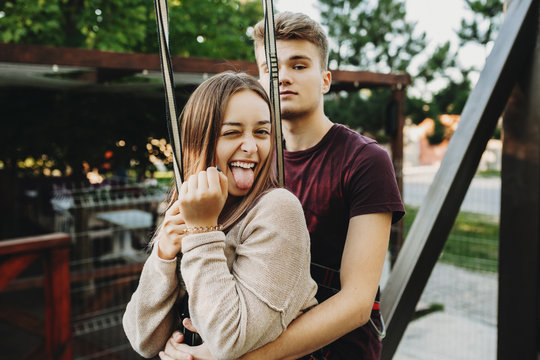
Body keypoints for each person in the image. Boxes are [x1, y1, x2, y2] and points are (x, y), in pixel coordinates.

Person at [162, 11, 405, 360]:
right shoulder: (248, 160)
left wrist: (235, 358)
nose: (283, 77)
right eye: (271, 68)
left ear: (325, 79)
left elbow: (356, 303)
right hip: (246, 337)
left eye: (299, 65)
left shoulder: (364, 160)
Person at [122, 71, 318, 360]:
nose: (251, 147)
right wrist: (163, 256)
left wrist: (202, 233)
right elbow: (143, 339)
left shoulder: (278, 208)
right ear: (199, 141)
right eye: (232, 132)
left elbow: (230, 340)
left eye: (262, 132)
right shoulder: (189, 209)